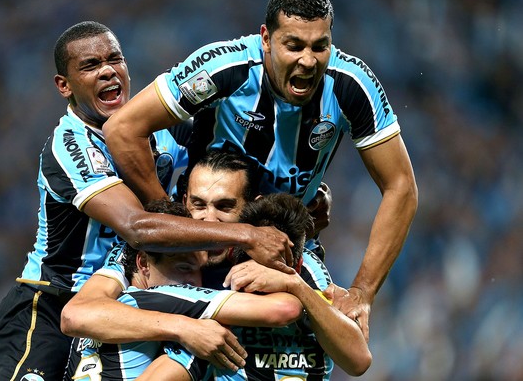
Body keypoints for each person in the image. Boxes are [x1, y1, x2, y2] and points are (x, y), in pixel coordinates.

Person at [0, 21, 295, 381]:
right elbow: (138, 228)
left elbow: (232, 164)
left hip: (131, 296)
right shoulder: (71, 146)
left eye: (114, 59)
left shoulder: (158, 128)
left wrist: (302, 196)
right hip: (54, 302)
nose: (107, 71)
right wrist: (246, 234)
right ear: (64, 85)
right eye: (90, 65)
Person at [103, 0, 418, 339]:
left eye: (320, 46)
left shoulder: (351, 85)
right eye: (294, 45)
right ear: (266, 39)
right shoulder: (225, 68)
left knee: (318, 347)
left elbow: (401, 186)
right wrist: (173, 227)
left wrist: (363, 292)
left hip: (282, 253)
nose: (309, 61)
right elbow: (122, 129)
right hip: (207, 248)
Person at [61, 150, 336, 379]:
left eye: (225, 207)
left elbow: (352, 352)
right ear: (184, 203)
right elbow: (76, 315)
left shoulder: (278, 256)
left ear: (251, 207)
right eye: (199, 205)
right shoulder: (148, 250)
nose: (209, 221)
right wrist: (184, 327)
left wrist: (335, 297)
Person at [64, 198, 305, 381]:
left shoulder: (113, 300)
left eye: (198, 269)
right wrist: (287, 280)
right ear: (143, 263)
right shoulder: (167, 296)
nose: (193, 281)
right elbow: (285, 308)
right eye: (183, 267)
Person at [138, 193, 371, 380]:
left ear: (297, 263)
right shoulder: (218, 285)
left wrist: (296, 286)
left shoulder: (307, 272)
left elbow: (358, 361)